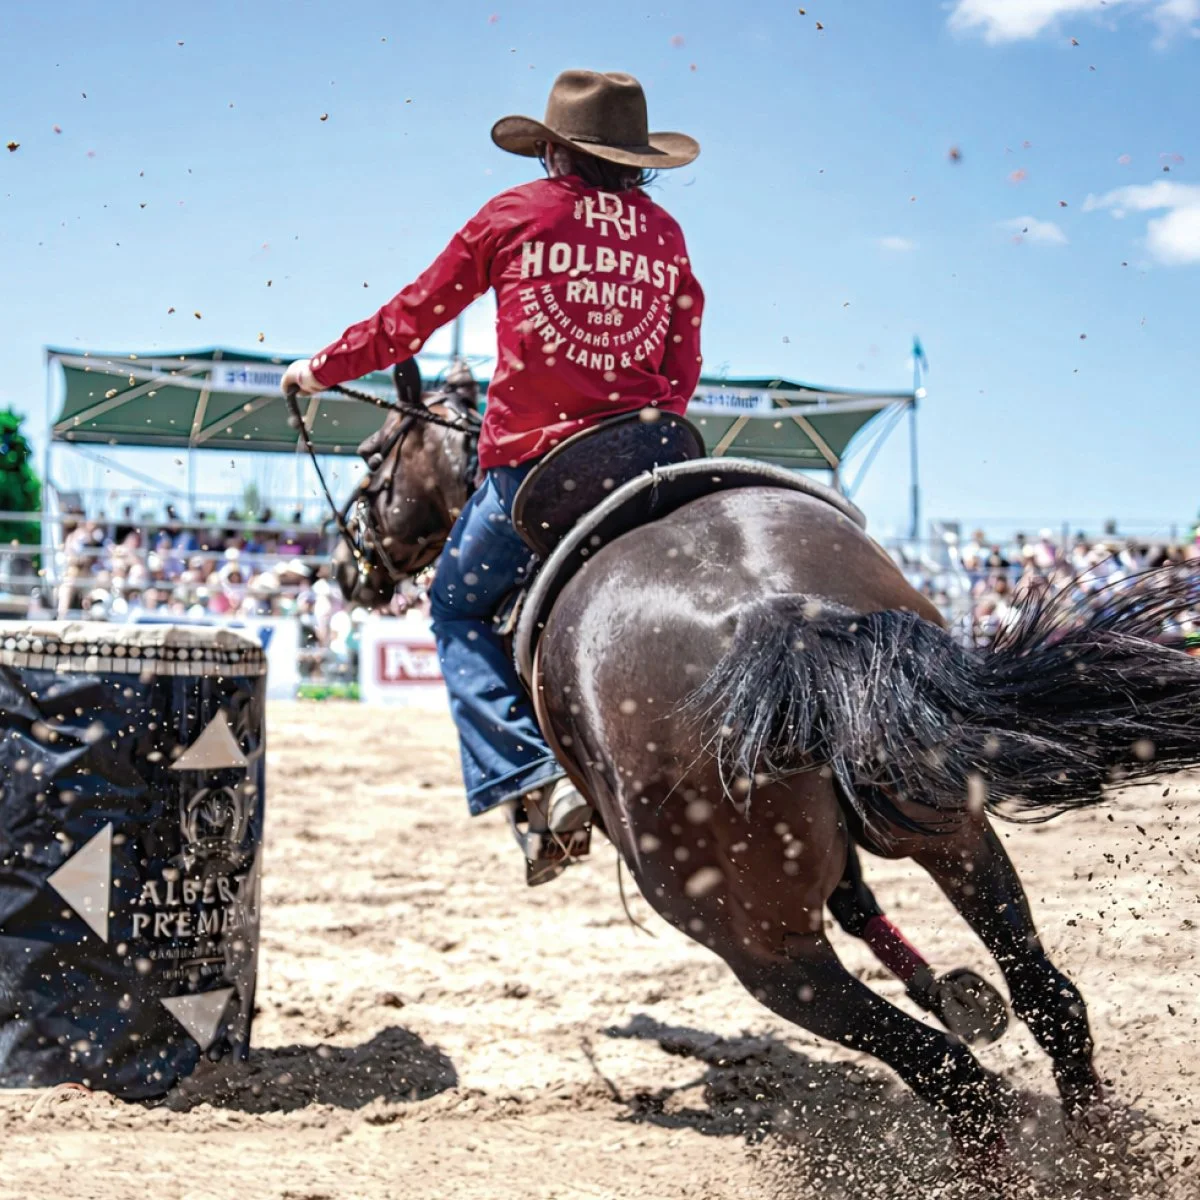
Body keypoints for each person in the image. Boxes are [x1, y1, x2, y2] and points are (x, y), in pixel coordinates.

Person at [282, 70, 704, 884]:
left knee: (457, 606)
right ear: (636, 160)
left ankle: (530, 774)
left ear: (552, 150)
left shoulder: (516, 213)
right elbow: (682, 361)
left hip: (544, 472)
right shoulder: (666, 233)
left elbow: (408, 318)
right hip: (653, 460)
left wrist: (319, 369)